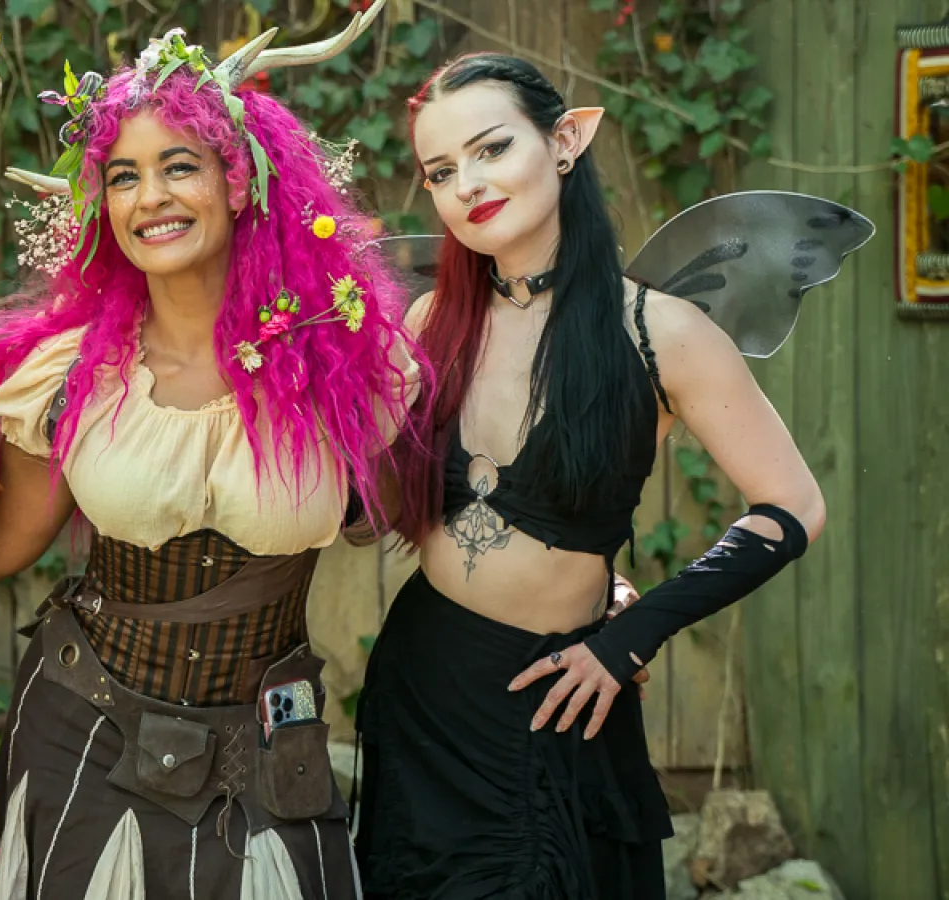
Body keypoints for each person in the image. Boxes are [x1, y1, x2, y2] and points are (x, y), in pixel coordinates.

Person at [0, 9, 429, 898]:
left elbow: (423, 517)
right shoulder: (68, 377)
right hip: (83, 736)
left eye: (179, 166)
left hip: (269, 749)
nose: (150, 198)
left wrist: (580, 578)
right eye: (123, 177)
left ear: (239, 180)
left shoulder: (345, 362)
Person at [354, 53, 835, 898]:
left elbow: (793, 504)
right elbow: (370, 513)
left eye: (492, 148)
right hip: (426, 695)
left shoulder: (662, 333)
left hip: (565, 697)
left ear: (567, 139)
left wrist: (625, 641)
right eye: (441, 171)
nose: (468, 183)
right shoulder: (430, 323)